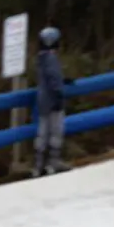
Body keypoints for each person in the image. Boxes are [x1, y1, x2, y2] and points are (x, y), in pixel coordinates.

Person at [32, 26, 72, 176]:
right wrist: (60, 93)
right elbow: (54, 79)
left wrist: (62, 80)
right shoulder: (51, 58)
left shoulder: (40, 58)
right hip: (54, 100)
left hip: (42, 100)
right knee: (56, 131)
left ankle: (38, 165)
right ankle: (53, 163)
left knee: (42, 132)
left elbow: (47, 77)